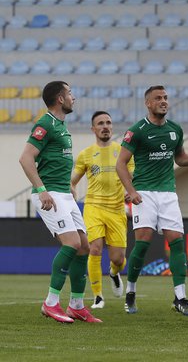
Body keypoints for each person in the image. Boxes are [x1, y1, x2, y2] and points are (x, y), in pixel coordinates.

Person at [18, 81, 101, 323]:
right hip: (50, 195)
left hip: (63, 194)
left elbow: (54, 162)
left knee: (84, 247)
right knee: (72, 243)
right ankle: (51, 303)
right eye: (70, 93)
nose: (73, 97)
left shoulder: (62, 127)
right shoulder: (45, 123)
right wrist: (42, 190)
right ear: (60, 99)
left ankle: (76, 305)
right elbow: (25, 158)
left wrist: (68, 187)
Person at [116, 85, 188, 317]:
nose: (163, 101)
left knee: (176, 242)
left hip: (168, 193)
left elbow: (179, 157)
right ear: (148, 103)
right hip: (144, 193)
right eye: (158, 98)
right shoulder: (137, 131)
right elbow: (120, 163)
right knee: (143, 244)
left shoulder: (175, 130)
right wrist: (131, 190)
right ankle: (131, 291)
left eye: (165, 97)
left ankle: (181, 297)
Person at [71, 111, 134, 309]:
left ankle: (114, 273)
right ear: (93, 129)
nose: (105, 126)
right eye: (100, 123)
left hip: (116, 210)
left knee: (119, 259)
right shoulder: (86, 154)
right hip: (93, 207)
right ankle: (98, 296)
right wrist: (70, 191)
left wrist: (130, 190)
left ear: (112, 127)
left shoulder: (122, 151)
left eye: (108, 122)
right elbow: (72, 181)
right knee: (94, 248)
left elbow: (133, 177)